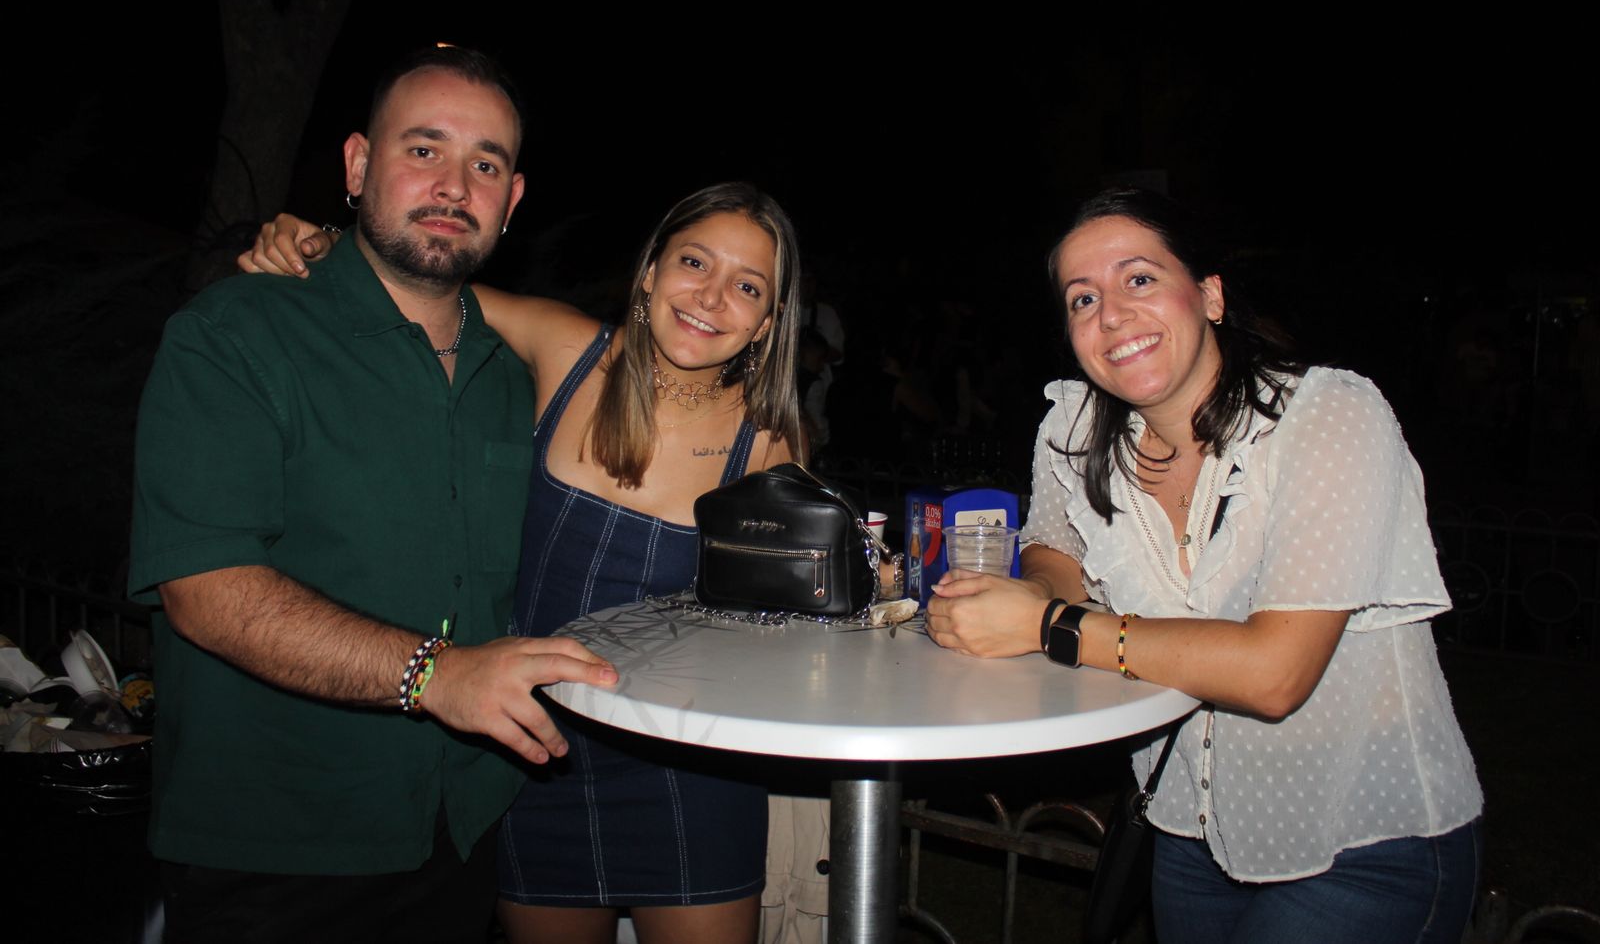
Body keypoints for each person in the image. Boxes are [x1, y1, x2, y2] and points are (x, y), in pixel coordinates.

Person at [129, 46, 619, 943]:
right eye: (423, 149)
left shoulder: (522, 377)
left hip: (467, 831)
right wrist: (435, 673)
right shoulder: (233, 334)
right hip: (276, 848)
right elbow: (202, 587)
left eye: (485, 164)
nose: (453, 184)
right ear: (358, 167)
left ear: (511, 201)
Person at [244, 181, 806, 944]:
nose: (711, 296)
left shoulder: (769, 445)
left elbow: (777, 625)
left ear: (769, 322)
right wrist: (315, 240)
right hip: (531, 757)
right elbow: (415, 286)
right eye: (693, 261)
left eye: (747, 286)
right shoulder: (566, 348)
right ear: (649, 272)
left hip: (688, 774)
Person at [924, 187, 1483, 943]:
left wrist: (1052, 625)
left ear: (1210, 295)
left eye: (1140, 279)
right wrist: (1024, 595)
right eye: (1082, 297)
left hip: (1364, 838)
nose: (1111, 312)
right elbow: (1057, 553)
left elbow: (1274, 673)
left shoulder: (1327, 418)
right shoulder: (1077, 427)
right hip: (1188, 834)